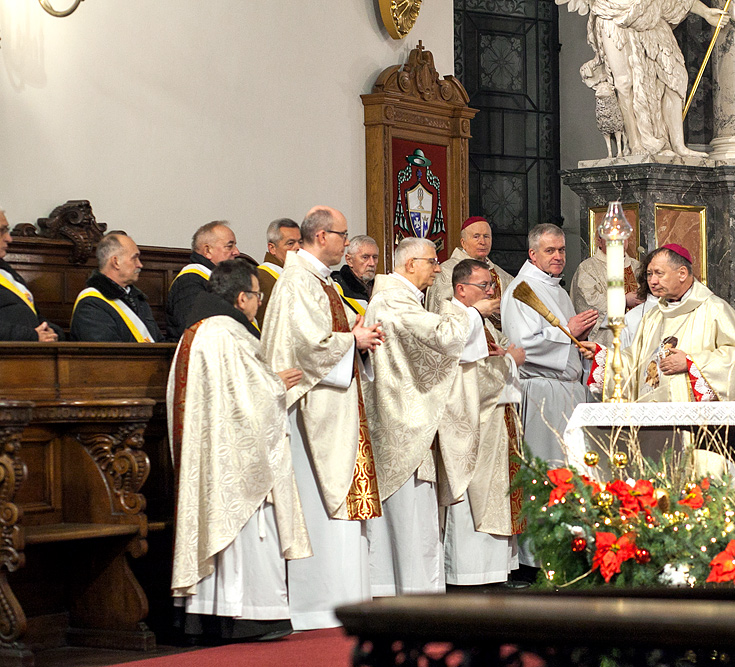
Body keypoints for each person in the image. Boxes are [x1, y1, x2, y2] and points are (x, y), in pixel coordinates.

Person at [168, 259, 311, 644]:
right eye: (258, 296)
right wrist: (277, 382)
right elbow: (251, 398)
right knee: (249, 534)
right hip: (237, 462)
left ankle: (209, 618)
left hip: (215, 455)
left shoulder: (197, 330)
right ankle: (250, 617)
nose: (259, 304)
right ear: (243, 297)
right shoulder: (228, 334)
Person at [261, 206, 385, 630]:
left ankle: (346, 598)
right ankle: (321, 604)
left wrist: (361, 334)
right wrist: (354, 338)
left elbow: (333, 335)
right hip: (313, 415)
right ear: (321, 236)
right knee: (319, 505)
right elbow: (308, 347)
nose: (346, 244)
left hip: (338, 409)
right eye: (342, 235)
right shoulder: (298, 282)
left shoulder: (319, 281)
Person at [365, 237, 496, 596]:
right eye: (431, 262)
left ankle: (409, 587)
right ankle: (413, 591)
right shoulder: (392, 302)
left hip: (409, 416)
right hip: (403, 423)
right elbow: (444, 338)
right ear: (409, 265)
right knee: (410, 517)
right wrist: (472, 311)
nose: (437, 268)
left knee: (415, 517)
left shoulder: (404, 300)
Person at [442, 259, 525, 587]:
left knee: (497, 494)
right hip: (471, 425)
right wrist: (510, 361)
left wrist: (501, 357)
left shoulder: (478, 320)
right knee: (475, 497)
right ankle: (470, 574)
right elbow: (469, 376)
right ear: (461, 290)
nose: (492, 292)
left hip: (494, 421)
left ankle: (497, 571)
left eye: (492, 286)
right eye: (484, 286)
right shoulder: (454, 321)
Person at [602, 243, 735, 402]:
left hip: (697, 420)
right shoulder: (652, 317)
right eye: (649, 274)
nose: (652, 280)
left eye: (659, 273)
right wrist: (603, 358)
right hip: (653, 416)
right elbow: (634, 362)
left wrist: (691, 363)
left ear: (682, 273)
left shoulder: (715, 310)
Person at [575, 0, 730, 157]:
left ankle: (678, 145)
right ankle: (635, 144)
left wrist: (705, 12)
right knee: (624, 83)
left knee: (674, 76)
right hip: (612, 15)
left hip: (651, 11)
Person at [501, 223, 598, 466]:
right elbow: (523, 344)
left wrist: (580, 341)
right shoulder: (520, 290)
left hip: (568, 392)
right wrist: (568, 333)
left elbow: (566, 340)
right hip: (542, 394)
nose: (558, 256)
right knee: (547, 469)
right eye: (550, 250)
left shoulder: (557, 290)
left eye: (562, 250)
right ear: (533, 254)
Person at [426, 216, 514, 331]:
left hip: (496, 338)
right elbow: (440, 314)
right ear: (463, 242)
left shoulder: (503, 276)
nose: (482, 242)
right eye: (476, 236)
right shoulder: (446, 272)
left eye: (486, 236)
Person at [70, 233, 162, 342]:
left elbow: (158, 341)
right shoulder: (91, 304)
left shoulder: (137, 299)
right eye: (134, 258)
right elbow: (108, 354)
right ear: (116, 262)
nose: (140, 265)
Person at [166, 221, 241, 341]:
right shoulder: (189, 281)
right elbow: (195, 331)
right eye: (229, 246)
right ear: (207, 251)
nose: (237, 252)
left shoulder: (219, 279)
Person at [570, 232, 643, 348]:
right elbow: (589, 305)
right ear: (600, 241)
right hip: (606, 342)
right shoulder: (587, 268)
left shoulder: (638, 267)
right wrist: (624, 300)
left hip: (639, 339)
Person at [0, 209, 61, 341]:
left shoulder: (7, 273)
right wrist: (32, 336)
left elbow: (34, 314)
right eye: (1, 231)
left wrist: (51, 331)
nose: (8, 238)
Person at [256, 218, 302, 322]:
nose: (298, 247)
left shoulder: (300, 272)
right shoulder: (261, 277)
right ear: (272, 248)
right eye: (290, 243)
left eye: (300, 242)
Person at [332, 235, 379, 316]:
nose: (372, 263)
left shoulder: (381, 287)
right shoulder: (335, 287)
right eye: (365, 257)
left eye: (375, 257)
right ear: (349, 260)